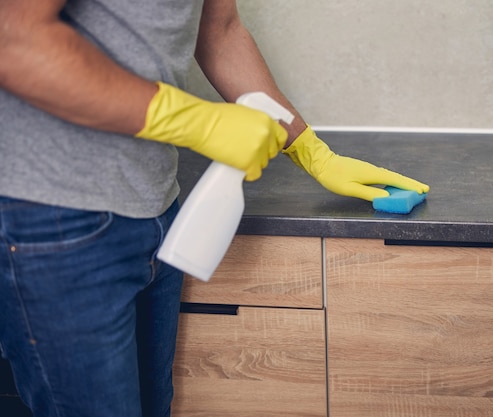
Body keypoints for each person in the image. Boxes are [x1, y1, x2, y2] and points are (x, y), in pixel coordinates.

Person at [0, 1, 429, 416]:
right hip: (53, 219)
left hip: (154, 206)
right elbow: (13, 37)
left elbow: (220, 32)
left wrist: (312, 152)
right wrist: (194, 121)